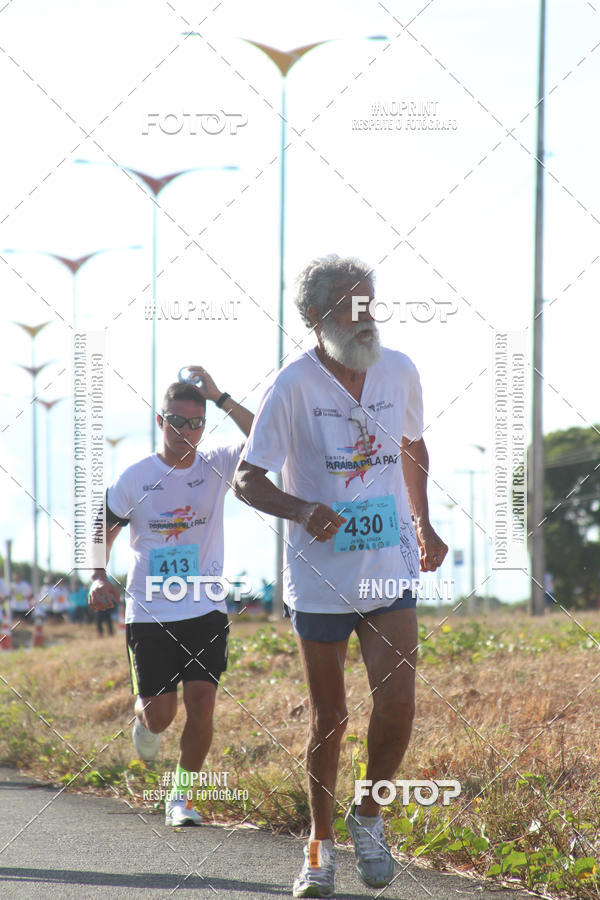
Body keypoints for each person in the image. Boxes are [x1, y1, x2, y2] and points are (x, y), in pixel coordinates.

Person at [232, 255, 448, 898]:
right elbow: (247, 478)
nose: (365, 317)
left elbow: (412, 445)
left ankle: (370, 814)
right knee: (329, 718)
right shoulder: (291, 385)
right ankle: (318, 847)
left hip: (386, 565)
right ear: (313, 316)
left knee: (399, 701)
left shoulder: (398, 369)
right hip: (319, 575)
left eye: (370, 304)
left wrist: (424, 523)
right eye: (350, 307)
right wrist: (302, 510)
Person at [88, 368, 253, 827]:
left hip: (205, 606)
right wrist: (98, 576)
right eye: (177, 422)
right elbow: (103, 527)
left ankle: (181, 797)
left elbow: (263, 434)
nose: (187, 432)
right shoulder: (136, 477)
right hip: (150, 611)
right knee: (161, 716)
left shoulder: (216, 464)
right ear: (161, 421)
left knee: (202, 703)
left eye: (196, 423)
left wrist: (220, 396)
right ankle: (143, 721)